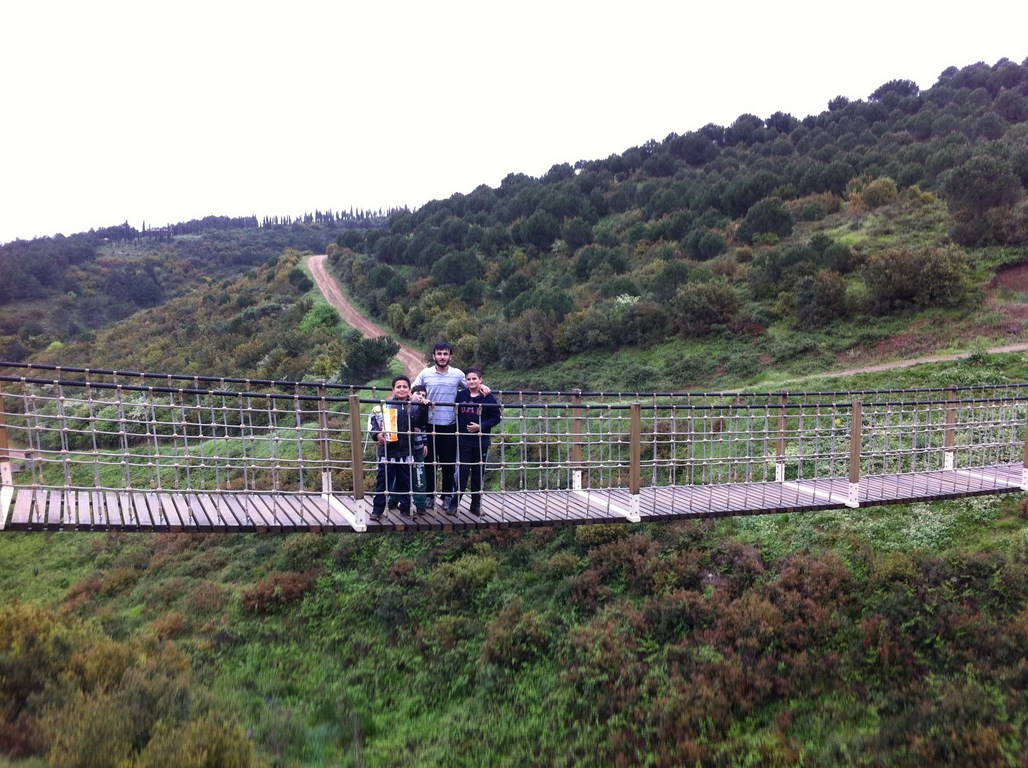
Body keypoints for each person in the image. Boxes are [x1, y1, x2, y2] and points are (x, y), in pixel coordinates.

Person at [412, 341, 488, 508]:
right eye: (439, 353)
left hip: (450, 425)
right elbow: (413, 390)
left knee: (448, 463)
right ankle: (429, 496)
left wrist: (482, 386)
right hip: (429, 424)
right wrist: (417, 397)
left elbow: (471, 387)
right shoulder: (425, 373)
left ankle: (446, 496)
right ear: (434, 356)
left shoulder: (457, 374)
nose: (442, 357)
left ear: (450, 356)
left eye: (445, 354)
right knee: (429, 463)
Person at [368, 375, 428, 518]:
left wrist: (424, 408)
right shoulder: (384, 406)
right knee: (383, 482)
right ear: (393, 389)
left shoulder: (414, 406)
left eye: (404, 387)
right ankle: (377, 510)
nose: (401, 389)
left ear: (409, 390)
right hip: (387, 452)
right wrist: (377, 435)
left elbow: (420, 423)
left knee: (405, 481)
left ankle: (405, 508)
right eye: (398, 387)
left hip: (406, 451)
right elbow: (374, 424)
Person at [449, 367, 501, 516]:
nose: (471, 381)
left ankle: (475, 505)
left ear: (480, 379)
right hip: (463, 441)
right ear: (465, 381)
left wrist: (481, 426)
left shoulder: (488, 397)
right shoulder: (461, 396)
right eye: (468, 379)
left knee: (478, 473)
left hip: (481, 441)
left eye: (474, 378)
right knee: (462, 472)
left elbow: (496, 417)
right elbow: (456, 413)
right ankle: (454, 504)